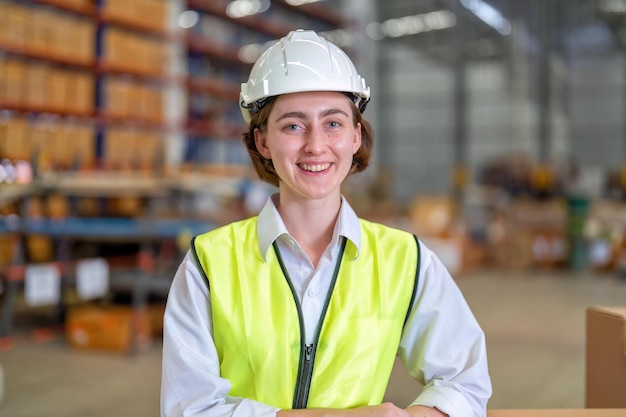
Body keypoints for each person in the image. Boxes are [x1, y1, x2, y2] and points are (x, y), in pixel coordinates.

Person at [161, 29, 492, 417]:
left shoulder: (406, 261)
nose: (316, 145)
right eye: (293, 126)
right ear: (262, 141)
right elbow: (190, 408)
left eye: (333, 123)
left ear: (355, 136)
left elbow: (465, 382)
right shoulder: (208, 265)